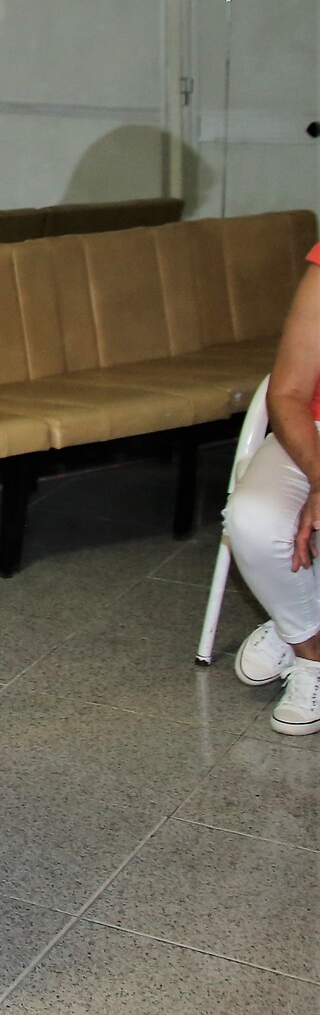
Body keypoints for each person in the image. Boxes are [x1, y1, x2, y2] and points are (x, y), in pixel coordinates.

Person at [222, 241, 320, 736]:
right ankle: (309, 644)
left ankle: (295, 616)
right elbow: (289, 391)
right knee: (253, 519)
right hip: (313, 431)